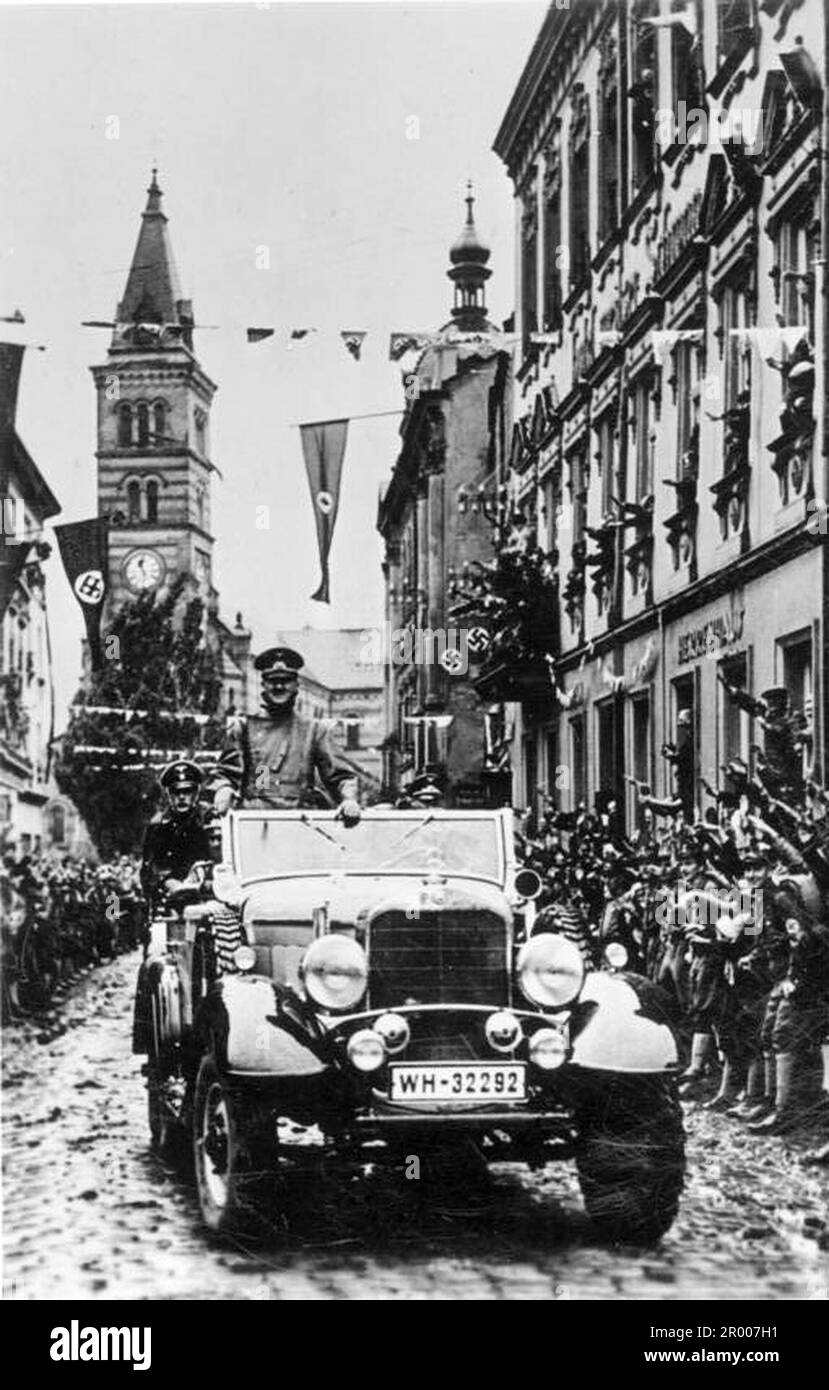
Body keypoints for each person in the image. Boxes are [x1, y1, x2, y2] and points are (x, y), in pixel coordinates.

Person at [212, 646, 360, 820]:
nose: (279, 686)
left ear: (296, 684)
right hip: (255, 825)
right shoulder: (243, 728)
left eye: (286, 680)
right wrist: (223, 789)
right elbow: (226, 774)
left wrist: (349, 800)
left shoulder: (314, 730)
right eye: (272, 680)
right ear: (264, 684)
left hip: (299, 826)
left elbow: (341, 776)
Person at [140, 760, 212, 921]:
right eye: (176, 792)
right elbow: (149, 867)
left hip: (208, 892)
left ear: (197, 793)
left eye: (187, 791)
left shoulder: (209, 820)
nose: (181, 797)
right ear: (168, 795)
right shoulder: (158, 826)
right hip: (171, 898)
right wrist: (167, 882)